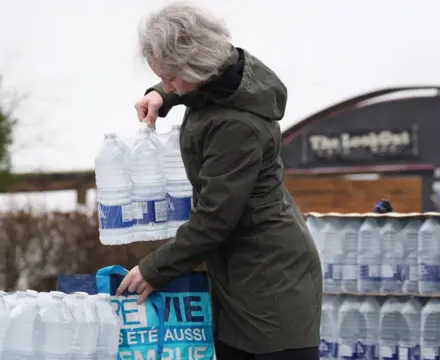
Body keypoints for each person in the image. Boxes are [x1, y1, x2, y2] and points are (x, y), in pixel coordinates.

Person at [116, 3, 323, 360]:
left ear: (197, 63)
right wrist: (161, 95)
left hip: (271, 280)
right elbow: (190, 87)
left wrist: (153, 269)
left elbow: (214, 219)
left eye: (170, 78)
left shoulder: (236, 126)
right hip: (238, 269)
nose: (167, 85)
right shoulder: (225, 79)